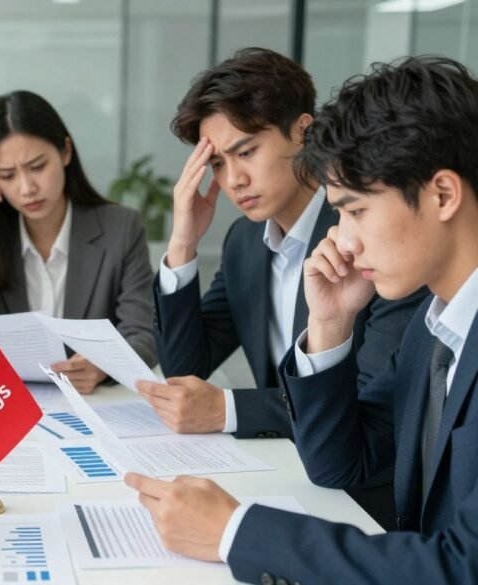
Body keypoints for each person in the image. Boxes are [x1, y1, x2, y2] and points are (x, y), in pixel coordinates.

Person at [127, 56, 478, 584]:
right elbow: (340, 465)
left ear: (443, 194)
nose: (346, 240)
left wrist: (235, 531)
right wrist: (330, 325)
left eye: (356, 211)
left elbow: (460, 566)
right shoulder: (434, 330)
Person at [141, 47, 424, 439]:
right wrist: (182, 242)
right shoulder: (244, 241)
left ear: (303, 132)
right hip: (281, 464)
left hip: (358, 485)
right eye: (218, 164)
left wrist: (229, 410)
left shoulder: (361, 236)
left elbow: (367, 399)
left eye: (246, 152)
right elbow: (185, 369)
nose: (234, 179)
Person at [0, 90, 157, 393]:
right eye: (7, 175)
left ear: (65, 152)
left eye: (38, 166)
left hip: (93, 406)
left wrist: (100, 367)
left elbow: (143, 335)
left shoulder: (121, 228)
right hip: (12, 407)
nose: (27, 188)